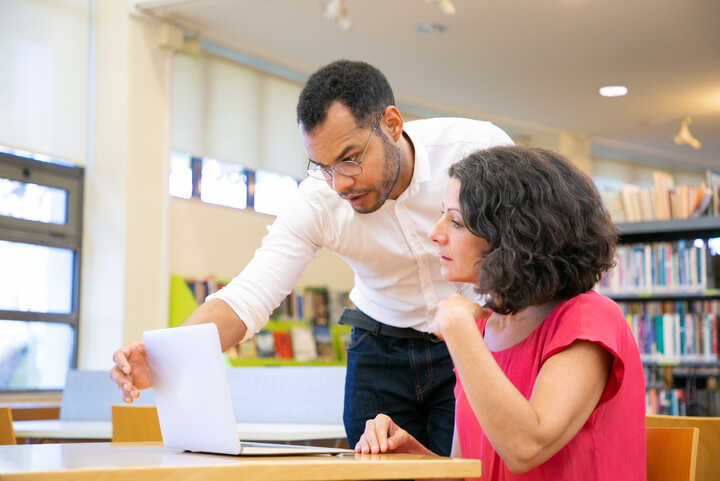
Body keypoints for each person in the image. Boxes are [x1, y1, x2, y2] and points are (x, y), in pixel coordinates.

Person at [110, 59, 513, 454]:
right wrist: (166, 356)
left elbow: (530, 246)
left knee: (465, 468)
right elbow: (248, 296)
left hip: (473, 336)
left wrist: (493, 311)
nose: (340, 183)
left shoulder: (476, 151)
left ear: (391, 124)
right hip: (379, 346)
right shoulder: (318, 201)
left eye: (350, 158)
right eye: (323, 166)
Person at [356, 146, 646, 480]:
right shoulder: (482, 330)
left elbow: (526, 449)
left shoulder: (590, 319)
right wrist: (413, 456)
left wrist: (457, 328)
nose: (435, 234)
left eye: (456, 221)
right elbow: (468, 470)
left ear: (512, 237)